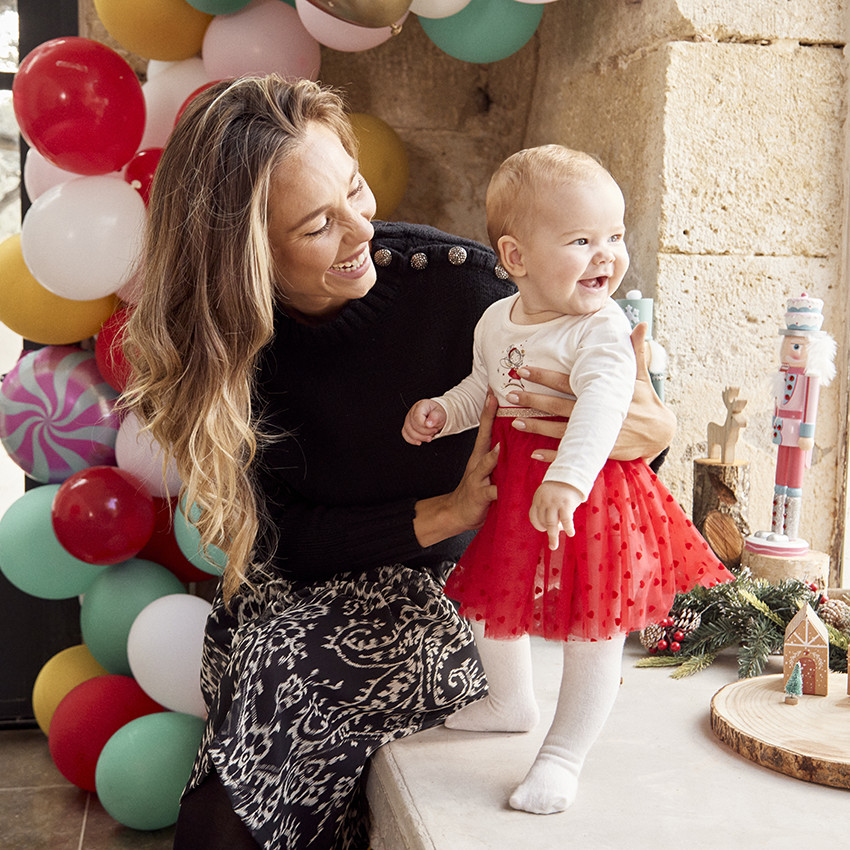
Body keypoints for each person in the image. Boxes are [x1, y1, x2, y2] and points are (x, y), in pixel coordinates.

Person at [122, 76, 674, 850]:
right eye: (319, 224)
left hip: (454, 589)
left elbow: (616, 432)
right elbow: (283, 539)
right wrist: (445, 509)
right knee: (258, 675)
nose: (361, 231)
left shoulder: (468, 289)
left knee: (285, 687)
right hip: (308, 578)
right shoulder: (231, 352)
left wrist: (648, 427)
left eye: (356, 190)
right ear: (245, 259)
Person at [403, 145, 734, 815]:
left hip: (593, 494)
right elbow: (486, 387)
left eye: (615, 236)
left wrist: (569, 479)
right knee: (493, 605)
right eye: (582, 240)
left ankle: (563, 753)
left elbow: (607, 407)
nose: (607, 253)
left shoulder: (601, 330)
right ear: (516, 257)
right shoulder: (497, 320)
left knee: (594, 626)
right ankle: (509, 701)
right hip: (521, 487)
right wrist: (444, 412)